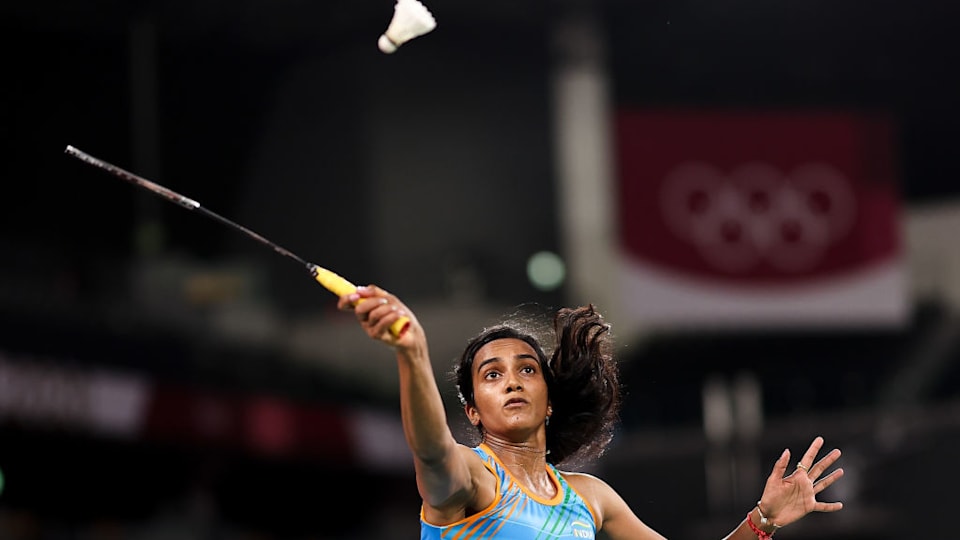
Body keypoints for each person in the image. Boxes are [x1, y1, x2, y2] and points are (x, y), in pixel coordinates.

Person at [338, 285, 844, 540]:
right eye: (491, 375)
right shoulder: (471, 477)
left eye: (526, 370)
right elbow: (429, 451)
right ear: (471, 412)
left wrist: (763, 520)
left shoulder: (590, 498)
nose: (512, 380)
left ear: (550, 398)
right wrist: (412, 352)